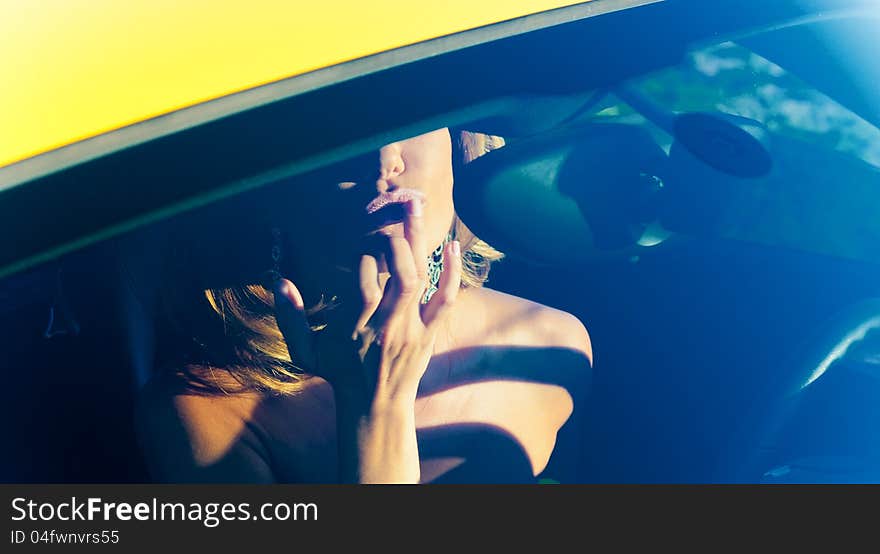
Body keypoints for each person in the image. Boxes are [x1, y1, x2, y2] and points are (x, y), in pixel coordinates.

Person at [136, 127, 593, 483]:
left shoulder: (550, 347)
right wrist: (375, 410)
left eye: (412, 115)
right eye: (336, 124)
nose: (384, 161)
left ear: (460, 145)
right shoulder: (205, 408)